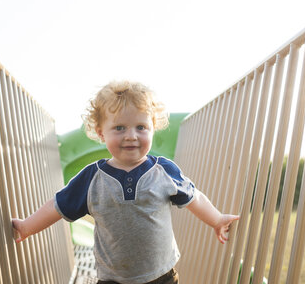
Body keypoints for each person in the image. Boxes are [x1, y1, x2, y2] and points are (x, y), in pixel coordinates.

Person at [12, 80, 239, 284]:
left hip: (161, 276)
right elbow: (58, 205)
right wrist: (27, 227)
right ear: (101, 133)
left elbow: (193, 197)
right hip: (113, 279)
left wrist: (217, 219)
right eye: (119, 128)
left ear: (152, 129)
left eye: (141, 127)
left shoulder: (163, 170)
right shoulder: (92, 178)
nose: (131, 135)